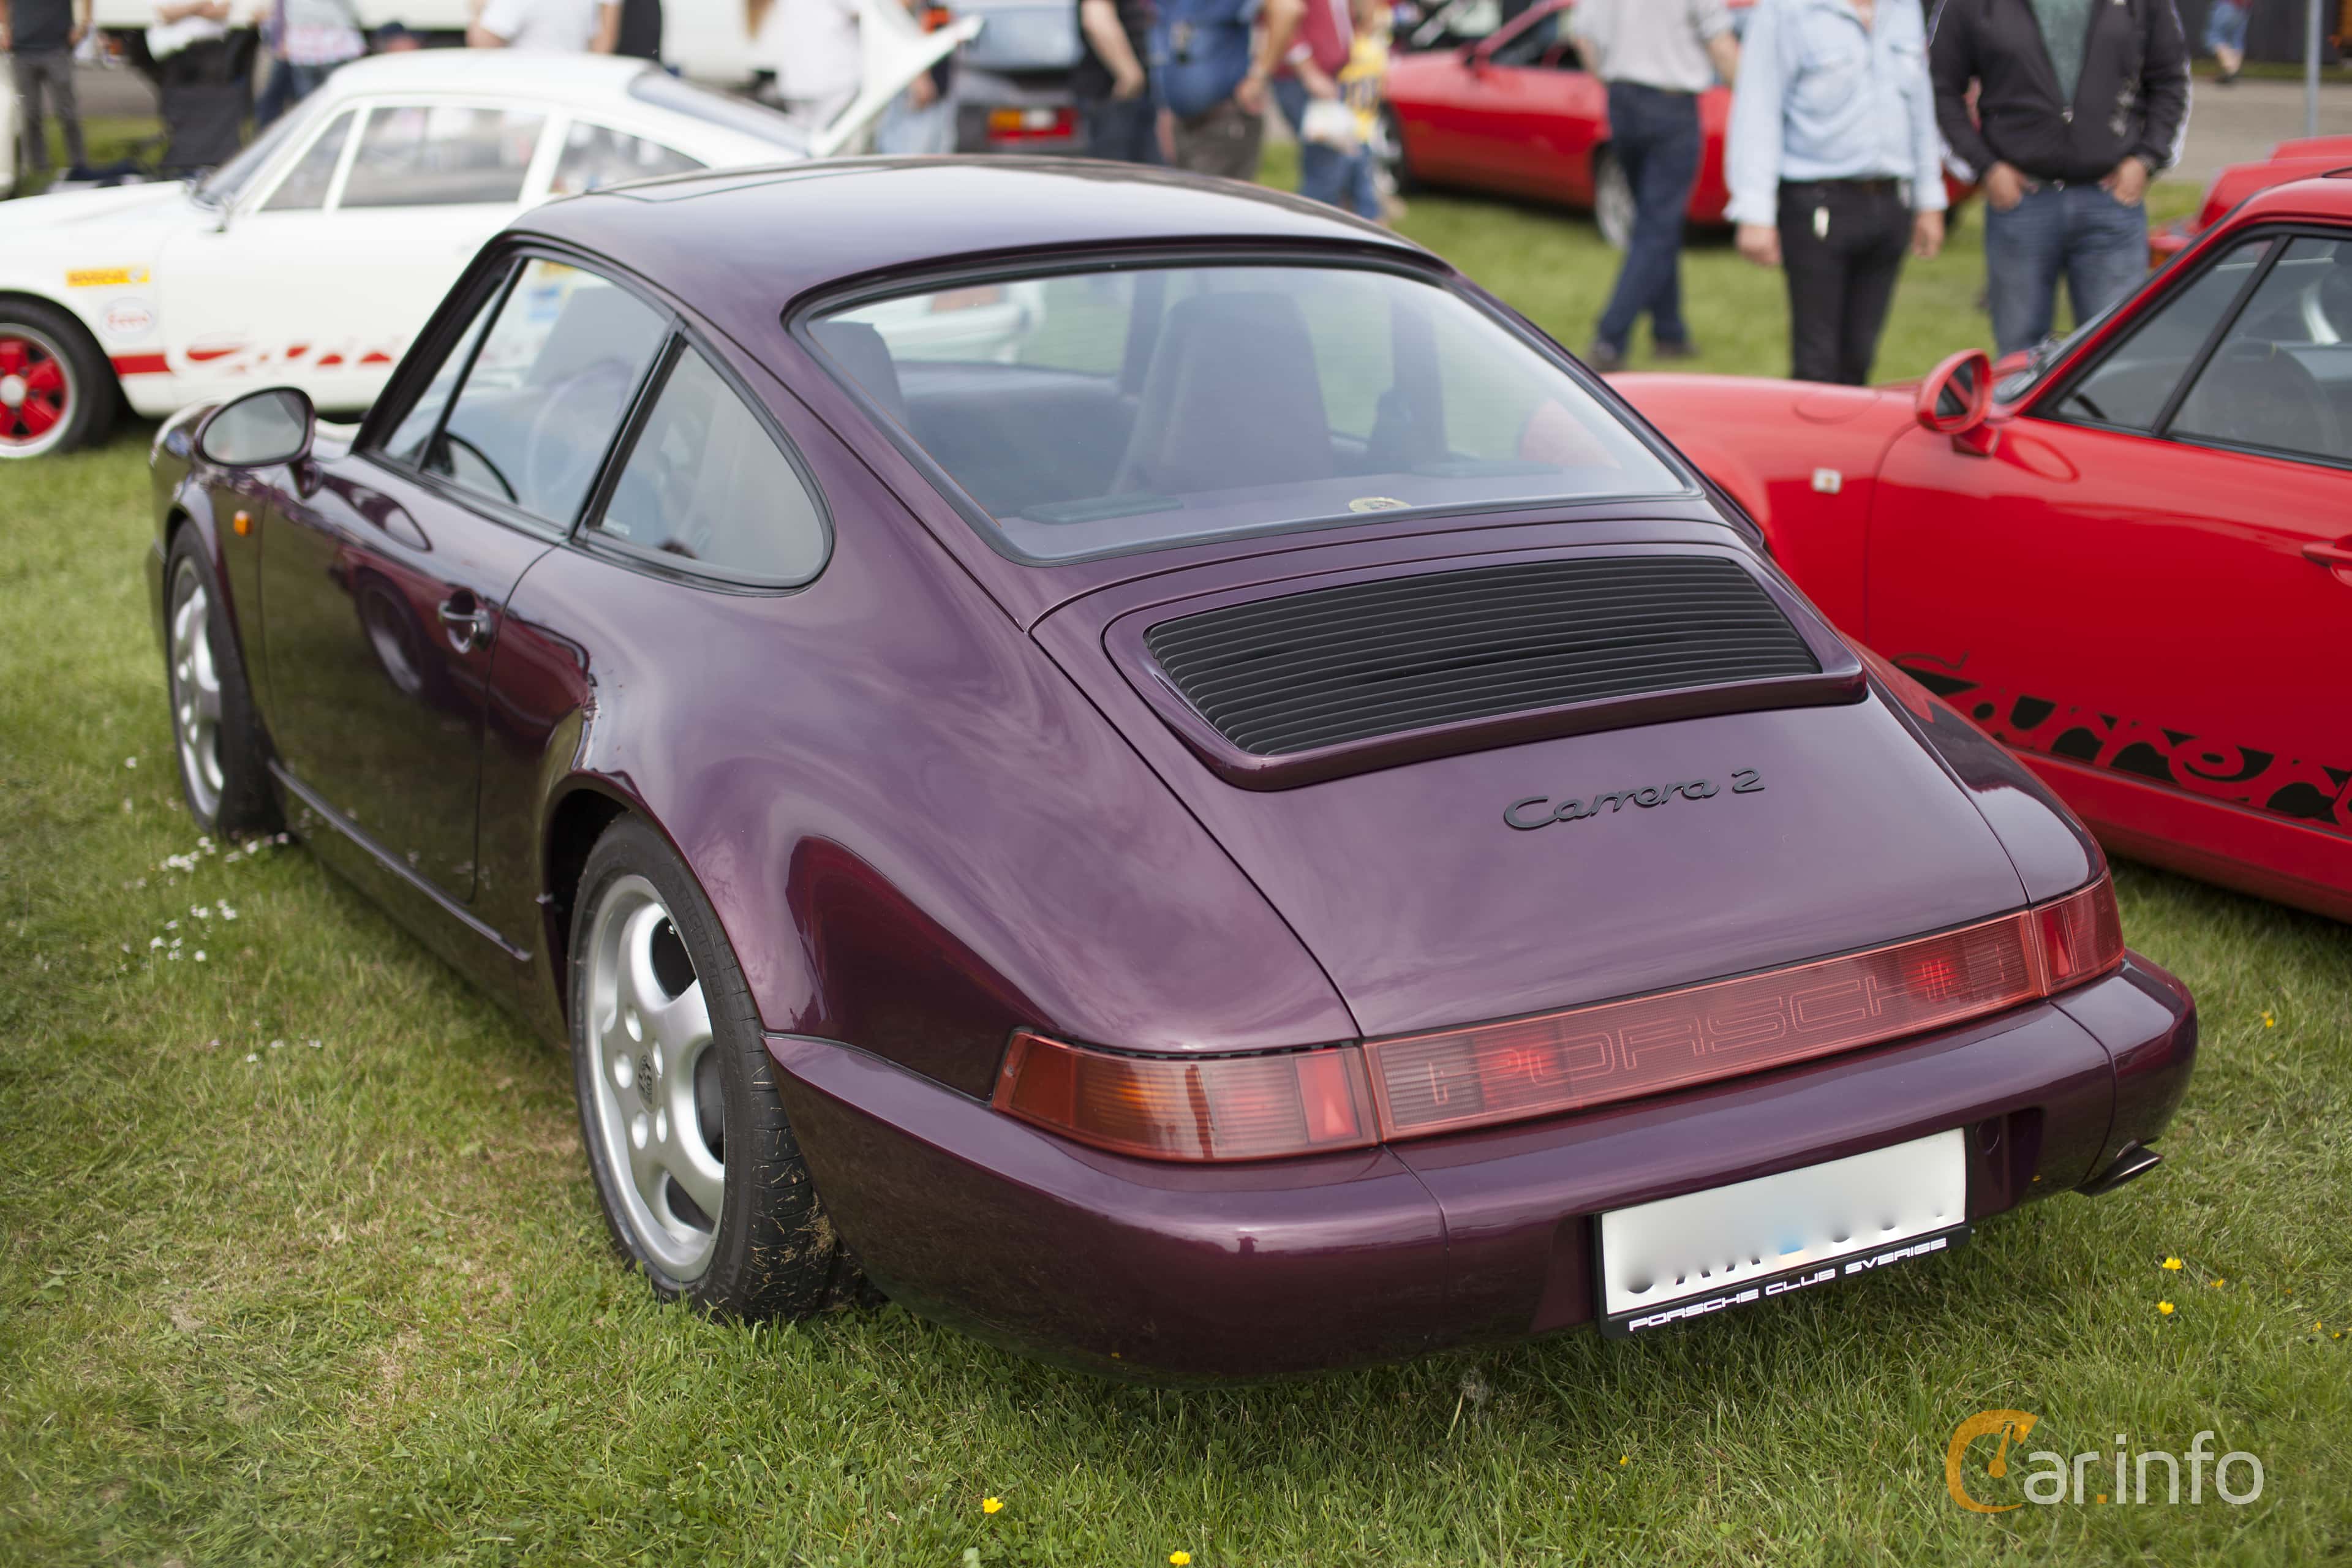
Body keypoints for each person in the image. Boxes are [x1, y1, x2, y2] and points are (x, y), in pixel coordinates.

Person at [1929, 0, 2190, 358]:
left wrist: (2146, 160)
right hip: (2021, 206)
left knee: (2116, 356)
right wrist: (1984, 168)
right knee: (2020, 362)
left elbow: (2172, 80)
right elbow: (1939, 85)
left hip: (2112, 205)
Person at [1725, 0, 1946, 386]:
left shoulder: (1904, 9)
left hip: (1889, 204)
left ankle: (1843, 445)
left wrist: (1930, 200)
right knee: (1817, 362)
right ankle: (1807, 446)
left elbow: (1921, 106)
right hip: (1817, 204)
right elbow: (1757, 109)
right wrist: (1755, 212)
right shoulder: (1784, 11)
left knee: (1859, 358)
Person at [1569, 0, 1739, 371]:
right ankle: (1609, 340)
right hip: (1671, 106)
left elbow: (1583, 40)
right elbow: (1722, 46)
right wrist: (1753, 96)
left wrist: (1613, 81)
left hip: (1622, 100)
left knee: (1657, 219)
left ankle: (1670, 332)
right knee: (1656, 226)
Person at [1152, 0, 1271, 179]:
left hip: (1224, 120)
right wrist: (1166, 108)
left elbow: (1287, 9)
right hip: (1182, 123)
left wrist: (1259, 76)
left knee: (1220, 201)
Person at [1, 0, 92, 178]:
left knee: (67, 111)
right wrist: (5, 28)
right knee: (30, 113)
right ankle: (39, 166)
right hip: (22, 51)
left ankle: (79, 163)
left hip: (56, 48)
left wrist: (84, 25)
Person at [753, 0, 862, 132]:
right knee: (831, 141)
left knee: (802, 139)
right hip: (834, 80)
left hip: (798, 80)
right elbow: (869, 9)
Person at [254, 0, 364, 128]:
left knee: (309, 102)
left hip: (302, 45)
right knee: (337, 97)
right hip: (332, 41)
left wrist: (278, 38)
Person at [1075, 0, 1158, 162]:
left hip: (1131, 95)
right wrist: (1130, 76)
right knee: (1121, 178)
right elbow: (1096, 17)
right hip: (1117, 95)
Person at [468, 0, 618, 52]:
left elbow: (482, 43)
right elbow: (600, 43)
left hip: (528, 97)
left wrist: (480, 7)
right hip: (568, 92)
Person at [2204, 0, 2248, 85]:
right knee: (2235, 40)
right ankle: (2234, 69)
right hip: (2243, 7)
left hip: (2227, 4)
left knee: (2214, 37)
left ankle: (2230, 70)